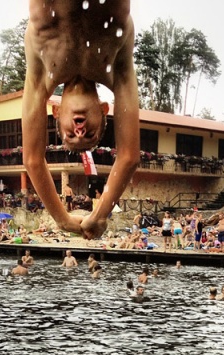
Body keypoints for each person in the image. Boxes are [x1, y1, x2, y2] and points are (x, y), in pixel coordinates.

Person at [22, 0, 139, 240]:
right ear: (104, 109)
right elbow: (129, 157)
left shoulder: (40, 75)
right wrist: (100, 215)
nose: (80, 131)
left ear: (55, 112)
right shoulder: (118, 70)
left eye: (71, 135)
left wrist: (62, 219)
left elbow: (33, 159)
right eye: (90, 134)